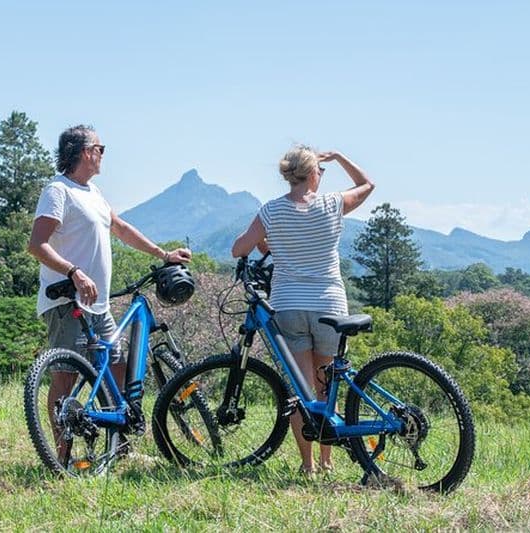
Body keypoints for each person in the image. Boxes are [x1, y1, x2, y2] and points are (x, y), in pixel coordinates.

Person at [28, 124, 191, 456]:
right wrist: (74, 272)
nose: (103, 156)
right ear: (86, 152)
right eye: (101, 149)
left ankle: (120, 445)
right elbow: (37, 245)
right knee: (65, 377)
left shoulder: (94, 193)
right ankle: (62, 456)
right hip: (66, 301)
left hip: (98, 305)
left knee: (116, 366)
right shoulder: (58, 191)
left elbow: (121, 228)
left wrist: (163, 254)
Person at [231, 145, 374, 474]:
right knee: (327, 388)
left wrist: (270, 242)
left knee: (303, 391)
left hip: (288, 306)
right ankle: (327, 462)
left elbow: (240, 248)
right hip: (329, 306)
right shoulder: (332, 204)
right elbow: (367, 184)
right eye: (320, 171)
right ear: (313, 173)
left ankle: (307, 465)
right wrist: (338, 157)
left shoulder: (271, 212)